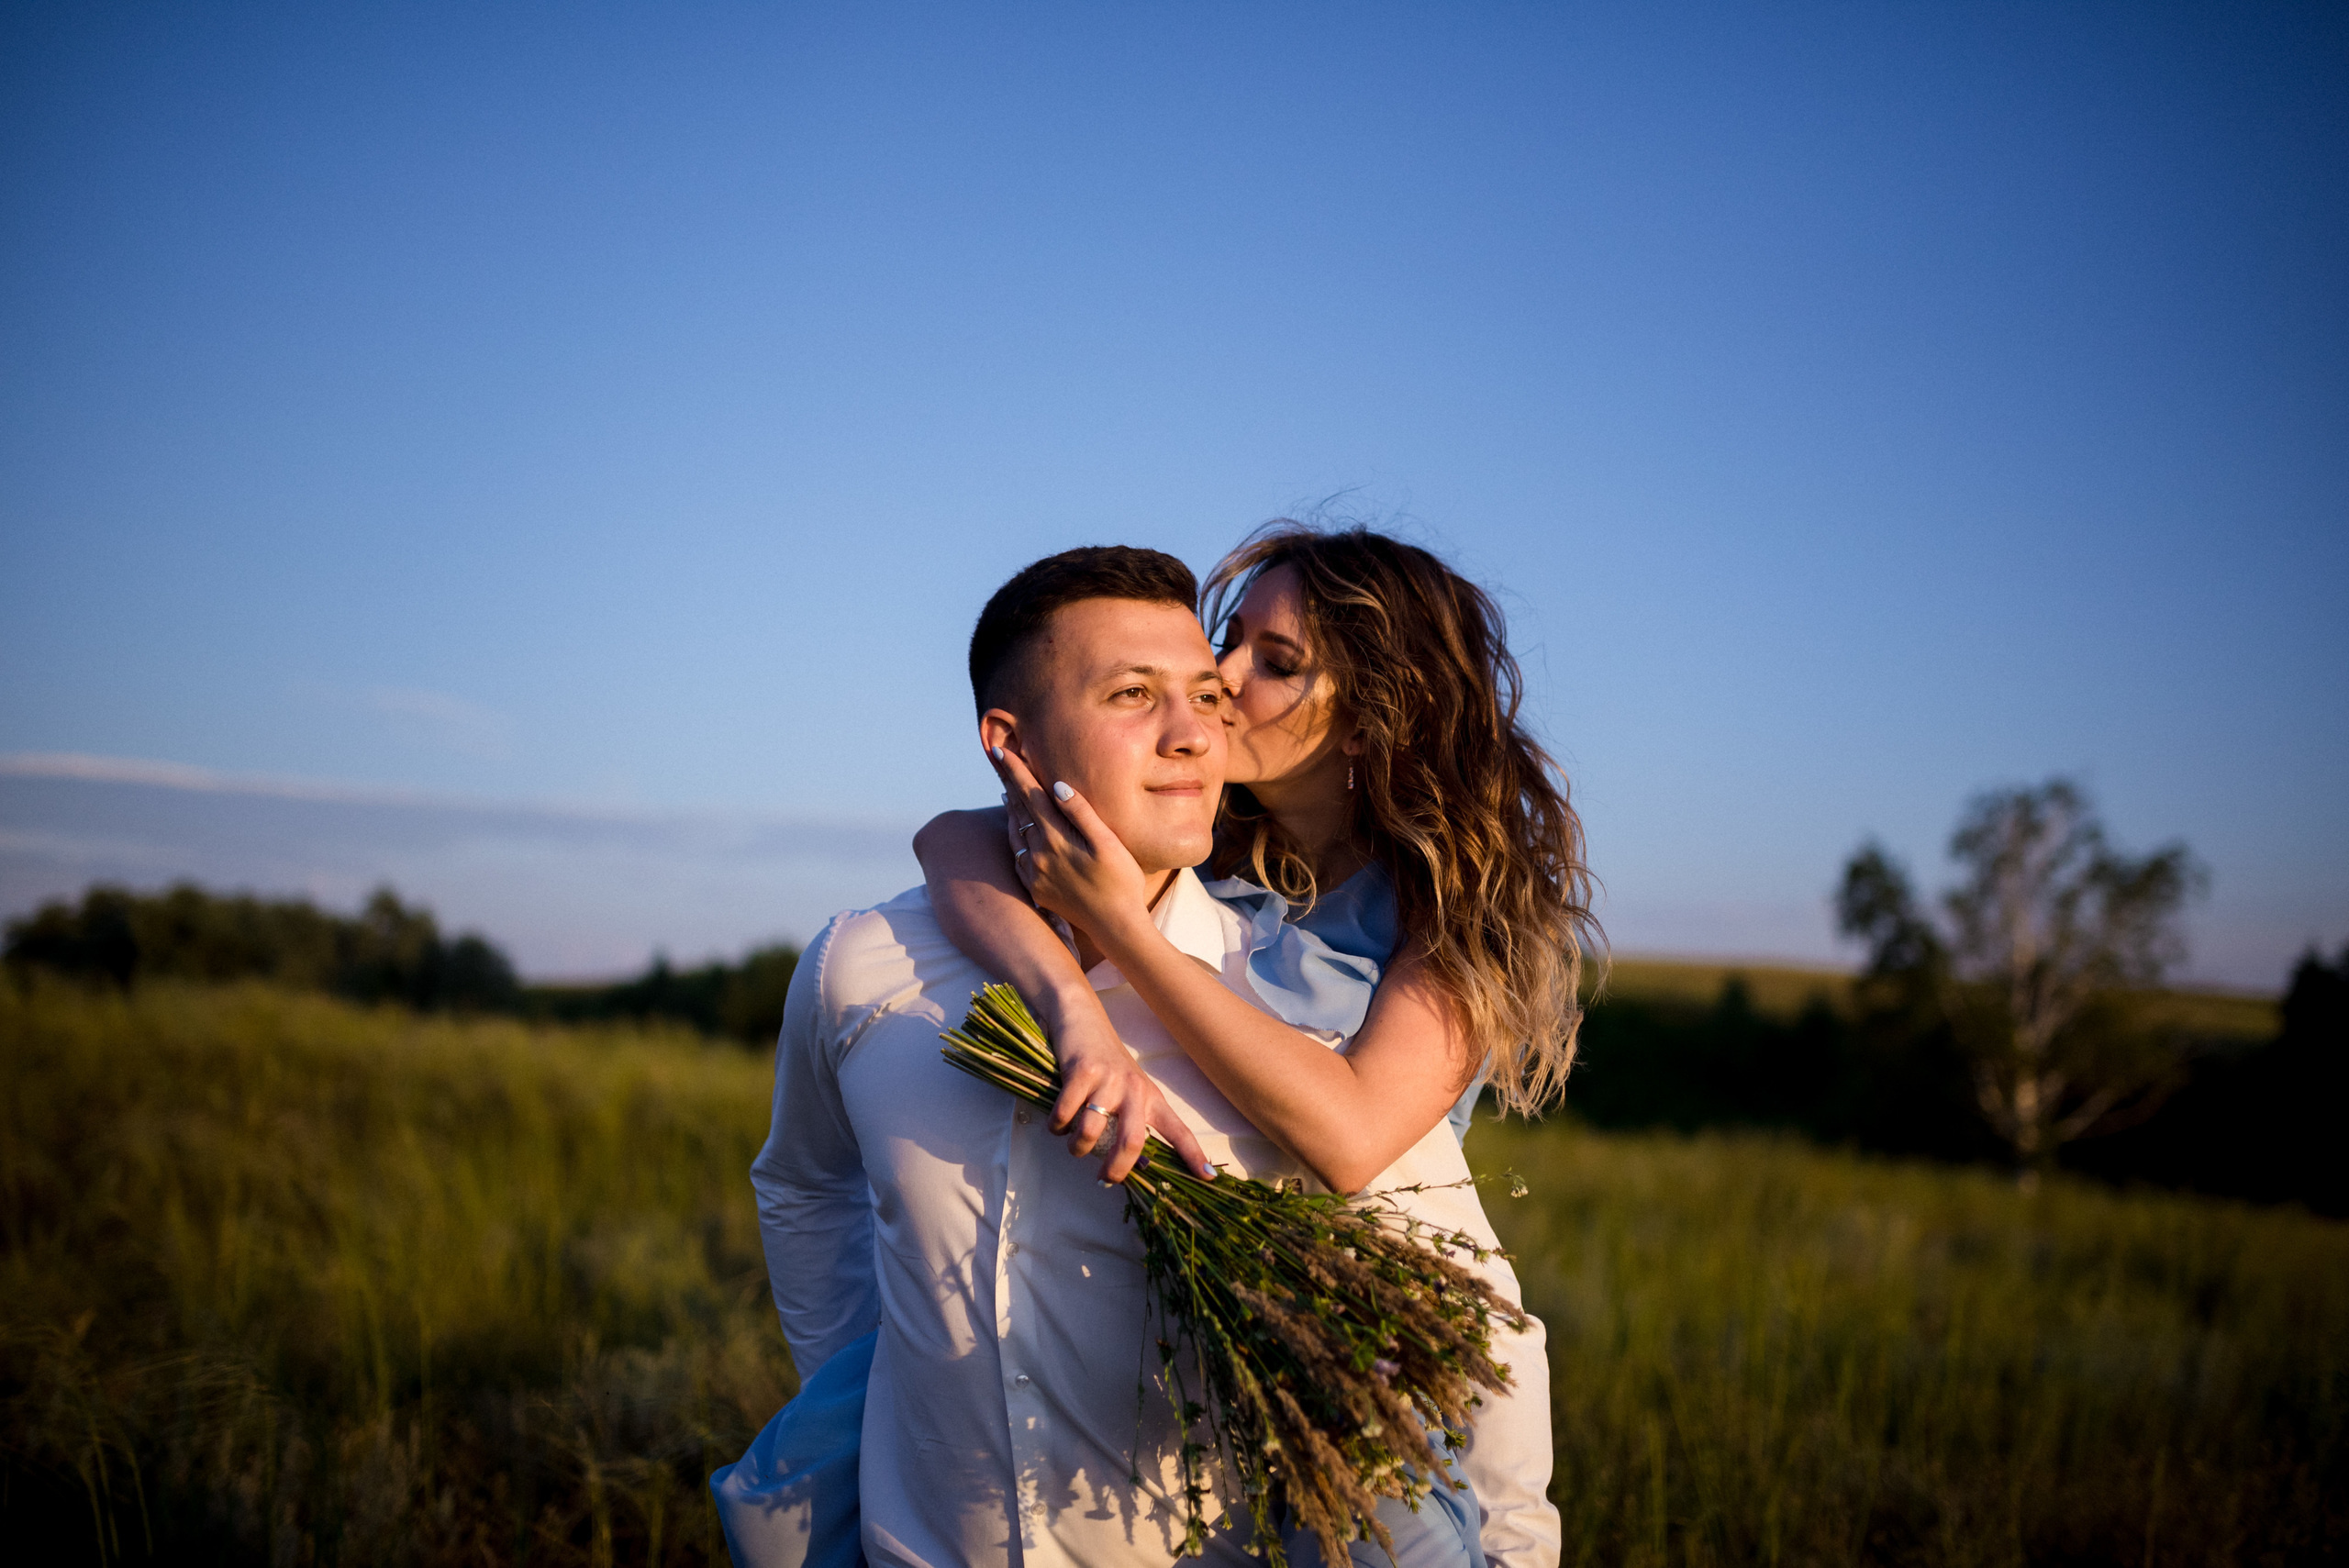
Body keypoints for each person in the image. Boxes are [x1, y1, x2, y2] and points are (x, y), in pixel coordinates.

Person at [717, 545, 1488, 1568]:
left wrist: (1515, 1549)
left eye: (1230, 685)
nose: (1204, 721)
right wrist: (872, 1385)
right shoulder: (865, 963)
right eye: (1143, 691)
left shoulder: (1334, 989)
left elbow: (1459, 1289)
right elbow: (806, 1181)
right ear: (1010, 741)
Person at [917, 523, 1597, 1568]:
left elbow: (1352, 1129)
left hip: (1358, 1359)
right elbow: (955, 837)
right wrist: (1072, 1007)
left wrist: (1129, 935)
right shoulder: (1208, 839)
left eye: (1273, 664)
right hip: (1183, 1350)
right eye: (1228, 641)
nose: (1220, 681)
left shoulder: (1451, 919)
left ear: (1374, 718)